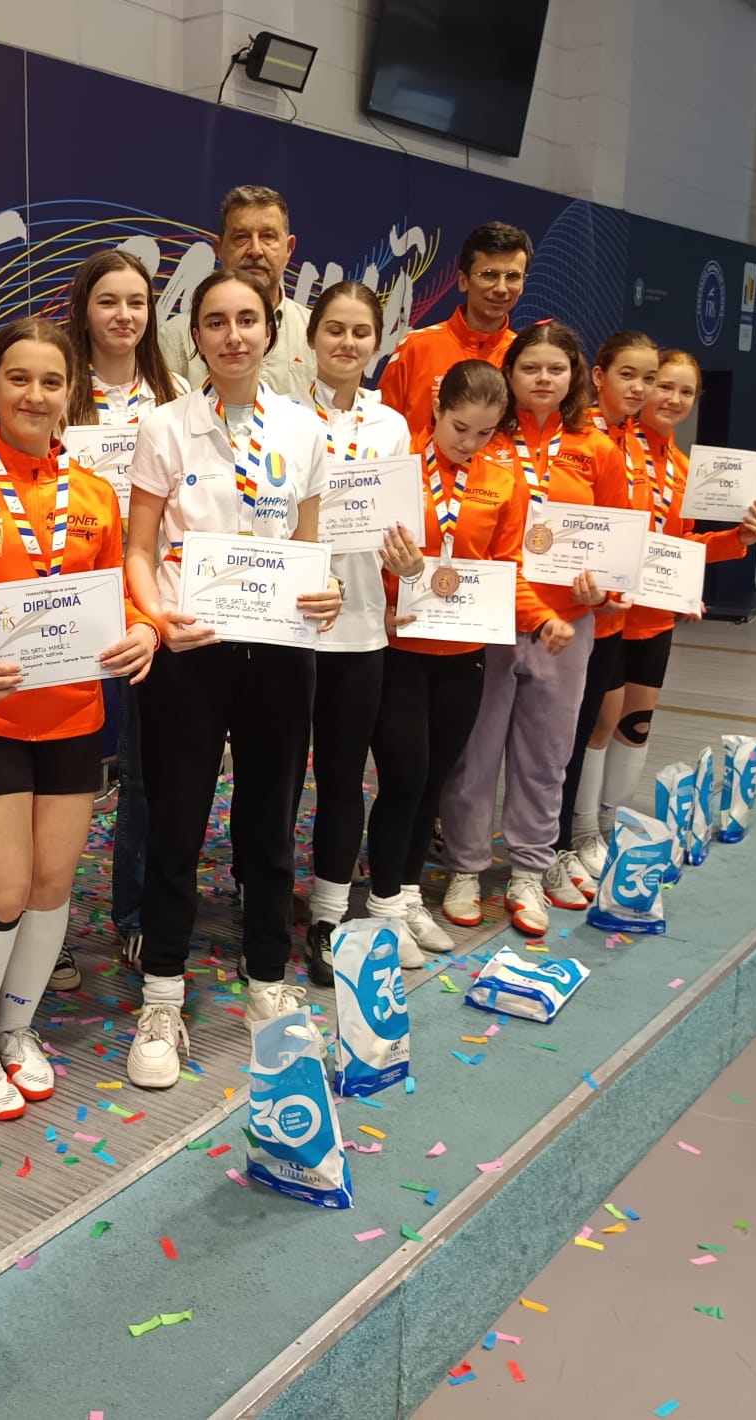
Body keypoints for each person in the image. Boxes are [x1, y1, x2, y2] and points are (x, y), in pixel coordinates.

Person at [0, 317, 157, 1119]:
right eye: (19, 378)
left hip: (74, 715)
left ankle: (16, 1029)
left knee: (51, 890)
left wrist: (144, 630)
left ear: (71, 391)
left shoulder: (94, 494)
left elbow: (118, 594)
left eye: (51, 381)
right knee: (3, 891)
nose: (35, 395)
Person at [122, 270, 343, 1089]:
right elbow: (138, 547)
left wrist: (328, 591)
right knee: (176, 823)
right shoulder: (165, 426)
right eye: (215, 322)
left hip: (280, 651)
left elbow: (310, 549)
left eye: (247, 320)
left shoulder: (303, 429)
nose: (233, 336)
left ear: (270, 329)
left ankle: (268, 979)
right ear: (197, 337)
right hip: (191, 650)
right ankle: (162, 994)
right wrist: (156, 617)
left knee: (268, 821)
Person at [435, 320, 623, 938]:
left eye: (556, 369)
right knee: (475, 754)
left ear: (574, 377)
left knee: (546, 755)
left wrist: (605, 592)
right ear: (509, 373)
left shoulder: (597, 448)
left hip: (565, 624)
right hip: (487, 621)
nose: (543, 378)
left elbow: (620, 541)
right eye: (530, 367)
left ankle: (529, 869)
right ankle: (465, 867)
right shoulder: (482, 440)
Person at [570, 350, 756, 870]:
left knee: (636, 724)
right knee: (599, 724)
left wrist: (736, 540)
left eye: (686, 392)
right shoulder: (612, 446)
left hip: (654, 616)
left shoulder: (684, 468)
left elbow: (678, 545)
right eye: (663, 386)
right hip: (607, 613)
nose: (673, 399)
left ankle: (614, 826)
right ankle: (583, 830)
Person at [60, 250, 187, 982]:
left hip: (148, 604)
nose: (124, 316)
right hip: (68, 601)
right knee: (63, 778)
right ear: (84, 309)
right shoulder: (56, 390)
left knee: (144, 775)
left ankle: (135, 916)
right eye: (108, 301)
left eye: (137, 302)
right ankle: (47, 927)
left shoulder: (175, 399)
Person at [365, 360, 520, 949]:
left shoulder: (502, 479)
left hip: (464, 650)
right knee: (403, 776)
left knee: (432, 780)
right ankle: (383, 903)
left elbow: (508, 562)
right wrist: (381, 593)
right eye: (460, 428)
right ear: (437, 409)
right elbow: (361, 548)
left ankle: (408, 896)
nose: (470, 443)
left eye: (485, 433)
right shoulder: (398, 466)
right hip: (399, 645)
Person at [298, 281, 423, 985]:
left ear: (378, 343)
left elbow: (401, 532)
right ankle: (260, 896)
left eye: (361, 332)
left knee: (342, 779)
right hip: (289, 625)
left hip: (360, 630)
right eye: (335, 330)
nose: (347, 343)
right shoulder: (282, 415)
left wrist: (407, 562)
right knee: (276, 779)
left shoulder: (391, 426)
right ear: (311, 337)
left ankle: (327, 914)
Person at [546, 332, 659, 908]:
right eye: (628, 375)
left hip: (615, 617)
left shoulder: (637, 443)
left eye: (648, 379)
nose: (639, 389)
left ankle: (577, 835)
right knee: (561, 739)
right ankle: (558, 842)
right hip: (565, 613)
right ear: (598, 376)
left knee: (595, 726)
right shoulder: (578, 437)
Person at [157, 186, 317, 399]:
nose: (256, 250)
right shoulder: (175, 336)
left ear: (289, 249)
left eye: (268, 236)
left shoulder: (316, 333)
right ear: (218, 248)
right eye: (241, 237)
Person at [376, 222, 533, 429]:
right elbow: (380, 431)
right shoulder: (416, 346)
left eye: (513, 277)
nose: (501, 289)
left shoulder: (525, 357)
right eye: (489, 274)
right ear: (463, 281)